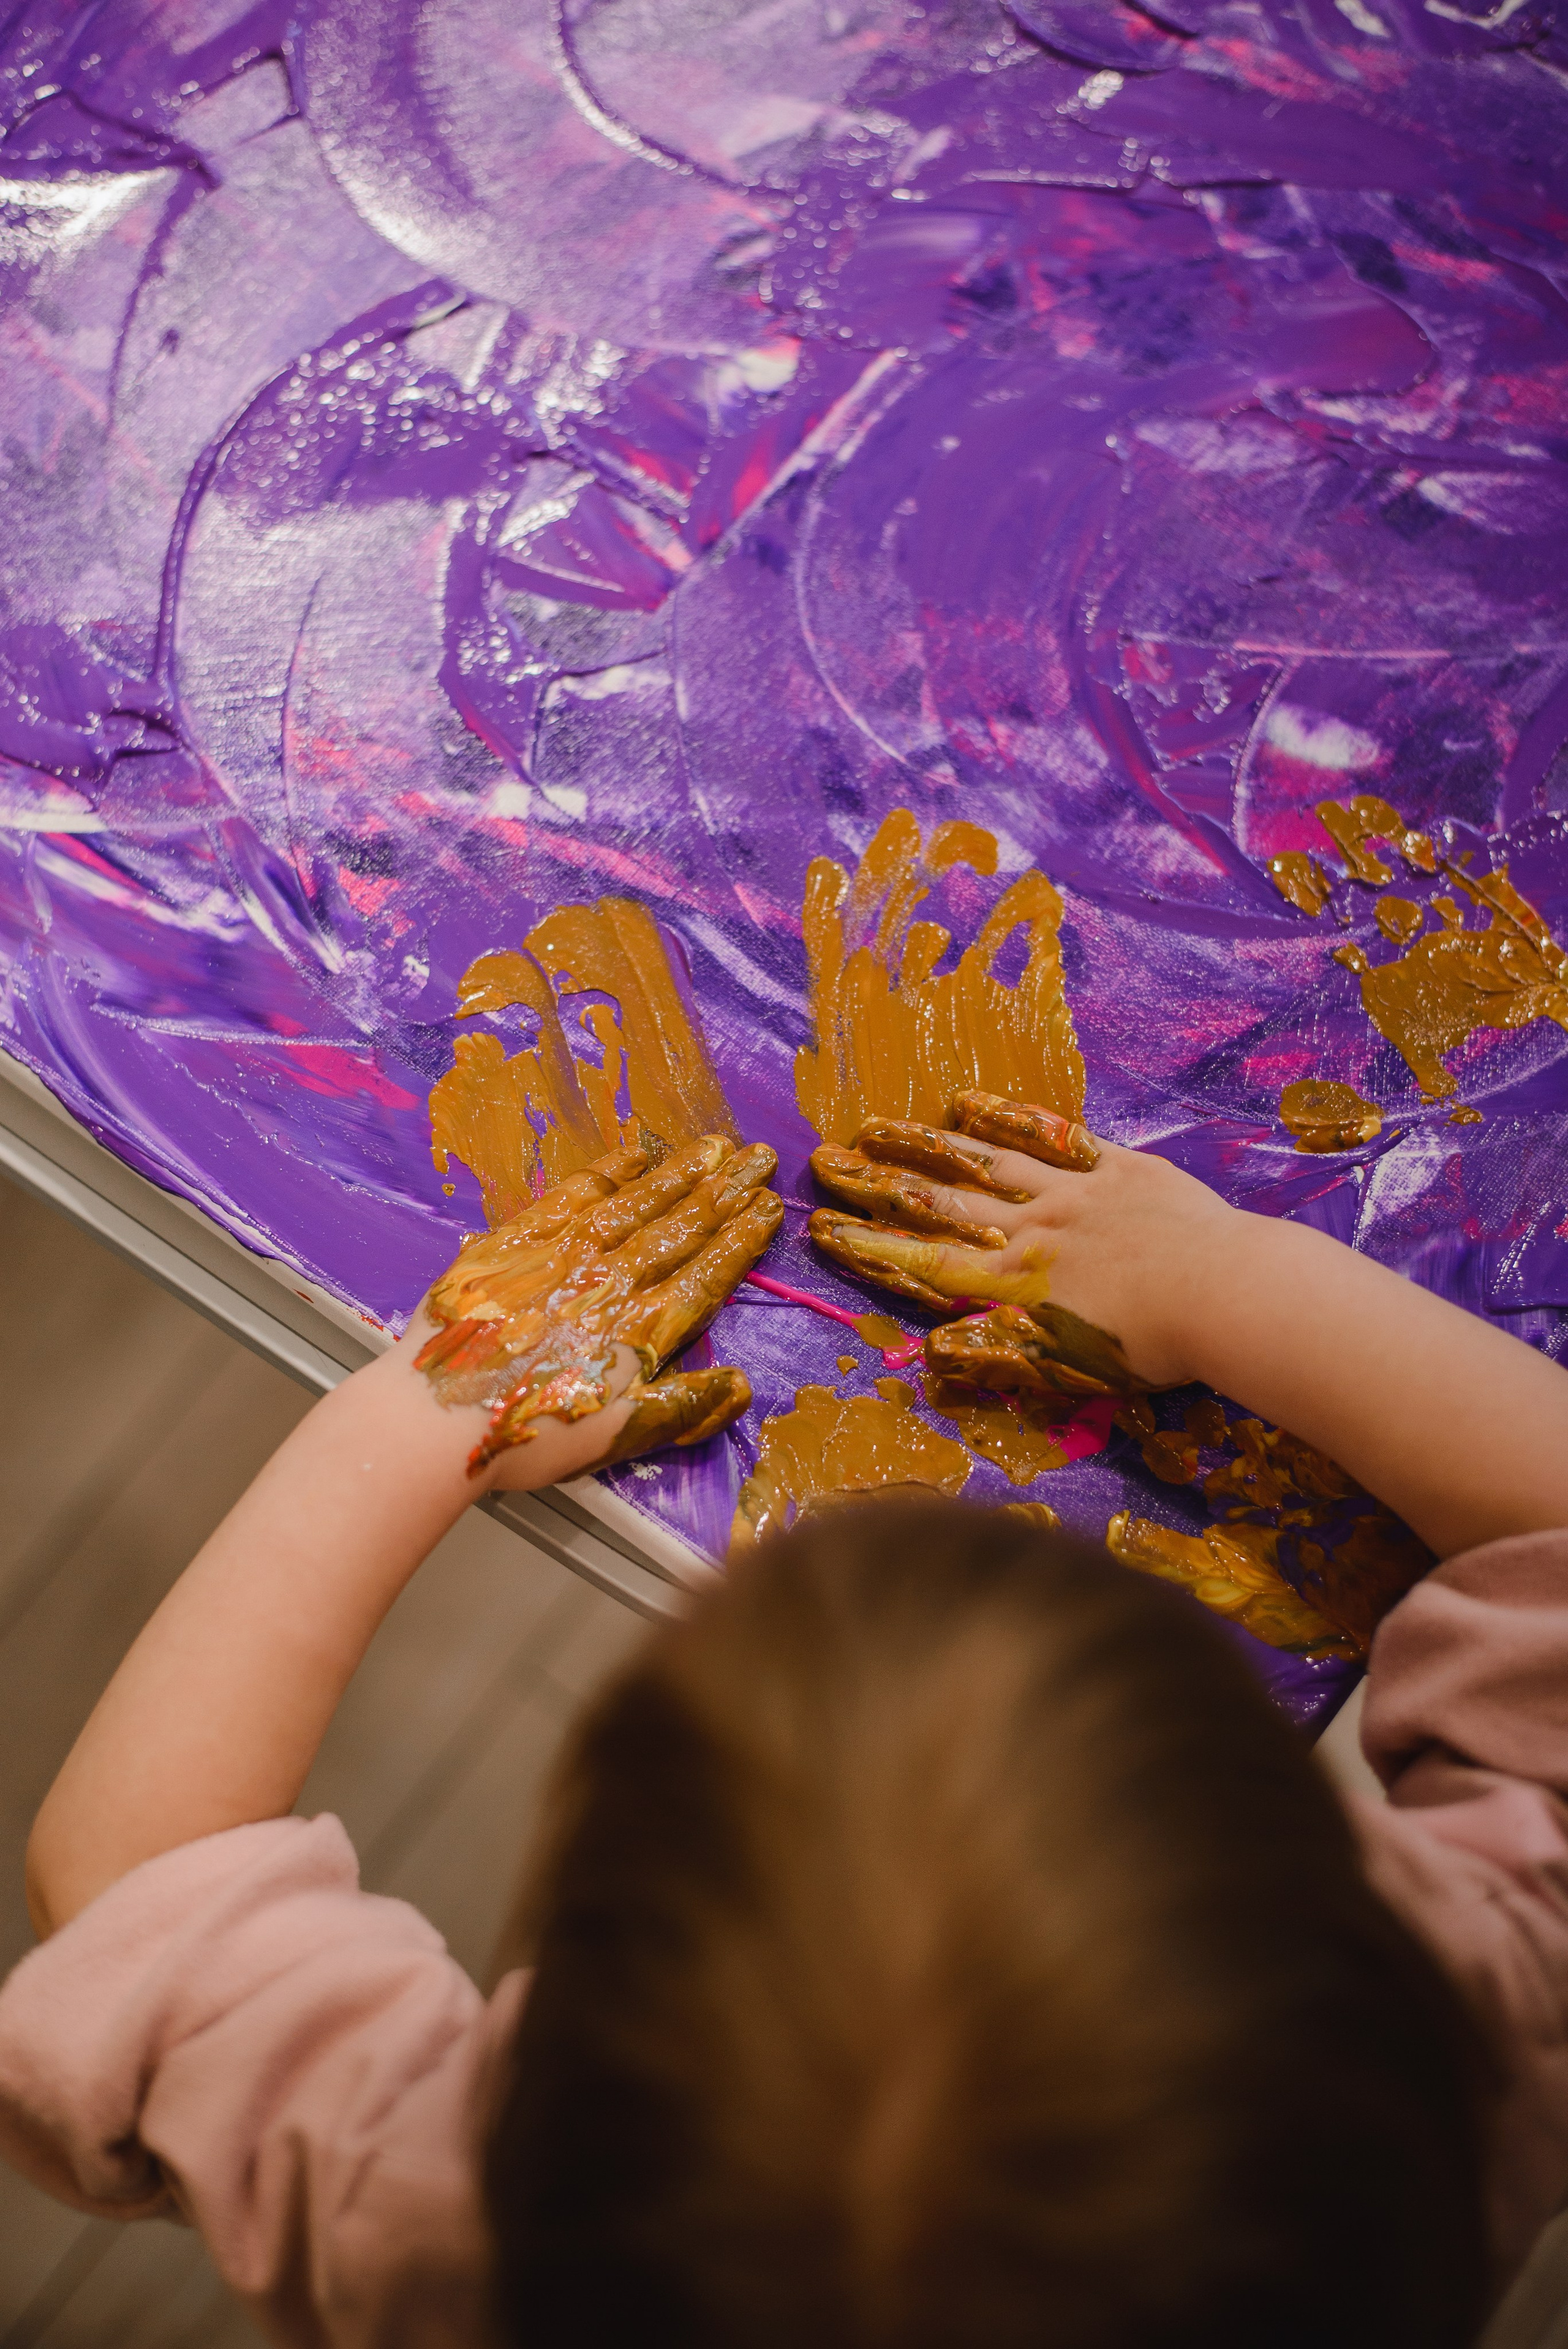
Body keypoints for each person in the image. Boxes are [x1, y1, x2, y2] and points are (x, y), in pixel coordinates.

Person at [2, 1107, 1567, 2349]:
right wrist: (1226, 1280)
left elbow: (131, 1874)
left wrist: (435, 1405)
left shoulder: (473, 2245)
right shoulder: (1457, 2057)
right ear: (1324, 1888)